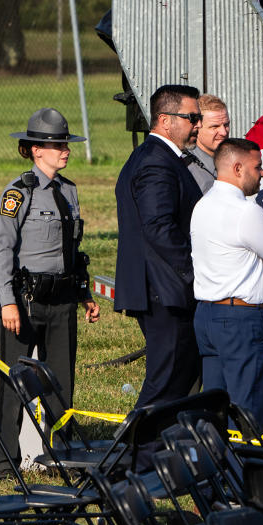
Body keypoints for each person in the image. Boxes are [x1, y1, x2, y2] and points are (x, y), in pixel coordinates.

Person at [0, 108, 99, 476]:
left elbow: (72, 251)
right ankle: (5, 463)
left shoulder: (68, 191)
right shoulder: (17, 193)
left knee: (61, 384)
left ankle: (60, 456)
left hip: (62, 300)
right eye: (56, 145)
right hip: (24, 301)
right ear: (36, 150)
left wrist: (83, 293)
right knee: (15, 385)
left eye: (65, 143)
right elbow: (1, 250)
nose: (64, 150)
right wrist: (7, 301)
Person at [191, 138, 263, 433]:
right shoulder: (246, 212)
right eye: (258, 167)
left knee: (214, 409)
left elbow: (253, 250)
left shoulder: (202, 205)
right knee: (246, 411)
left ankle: (216, 472)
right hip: (242, 320)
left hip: (207, 316)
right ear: (238, 168)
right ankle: (244, 474)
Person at [114, 84, 204, 412]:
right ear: (165, 120)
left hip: (163, 287)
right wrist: (195, 273)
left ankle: (159, 454)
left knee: (177, 382)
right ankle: (126, 456)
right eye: (191, 117)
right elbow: (159, 228)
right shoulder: (156, 161)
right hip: (164, 290)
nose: (197, 124)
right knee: (163, 385)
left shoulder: (160, 157)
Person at [184, 94, 230, 193]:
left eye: (226, 125)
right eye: (215, 126)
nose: (224, 132)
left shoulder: (235, 159)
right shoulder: (185, 168)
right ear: (197, 127)